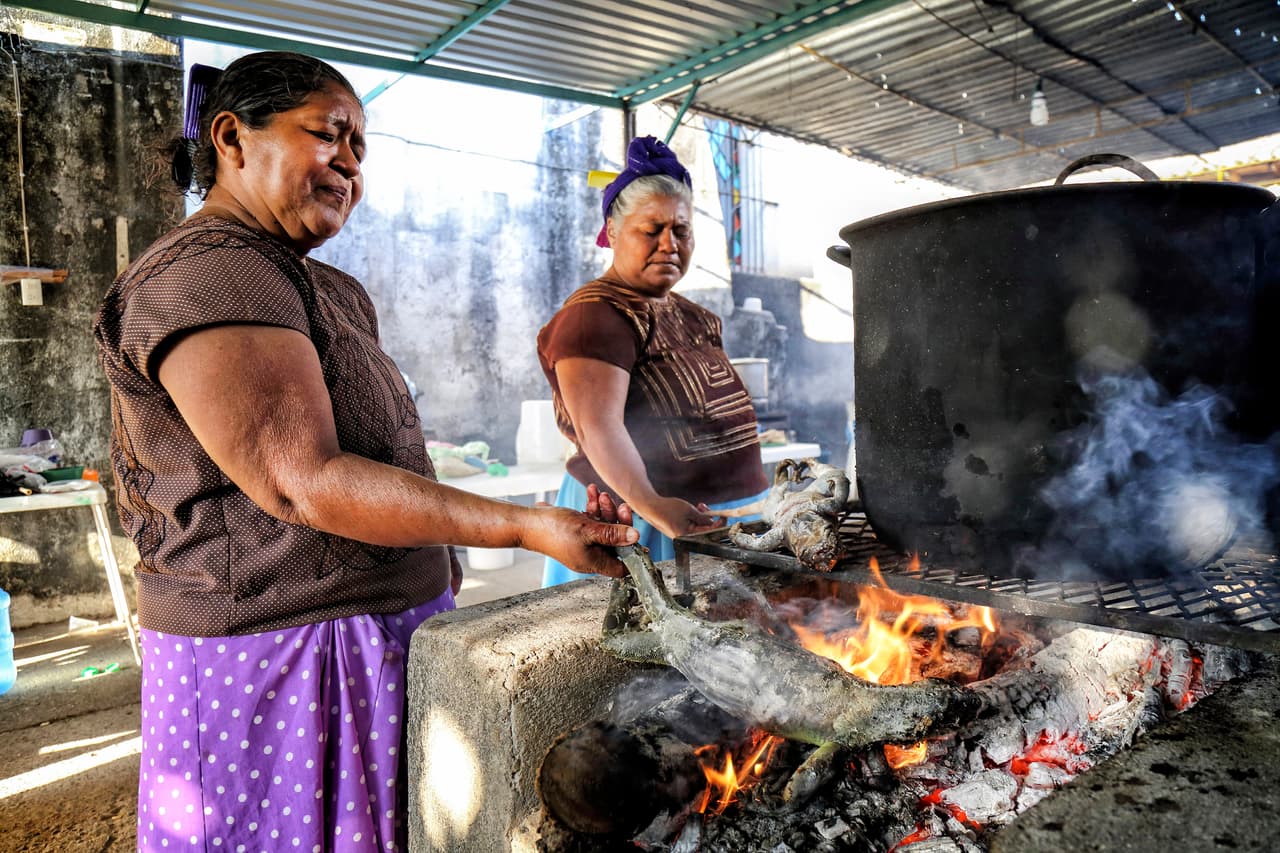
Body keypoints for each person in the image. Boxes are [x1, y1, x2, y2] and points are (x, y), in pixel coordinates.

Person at [92, 52, 638, 853]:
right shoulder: (206, 276)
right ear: (231, 138)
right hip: (281, 656)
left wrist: (441, 560)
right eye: (328, 134)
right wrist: (524, 526)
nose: (349, 162)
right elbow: (302, 480)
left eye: (361, 147)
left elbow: (377, 457)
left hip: (374, 636)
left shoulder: (329, 289)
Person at [538, 136, 769, 587]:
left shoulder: (693, 314)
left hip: (716, 520)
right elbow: (597, 427)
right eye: (652, 229)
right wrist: (654, 506)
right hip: (646, 521)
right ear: (614, 231)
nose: (669, 244)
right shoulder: (595, 315)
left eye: (681, 230)